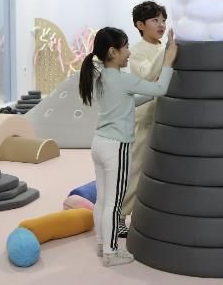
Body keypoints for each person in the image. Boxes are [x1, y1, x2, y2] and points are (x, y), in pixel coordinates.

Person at [79, 26, 177, 267]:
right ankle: (111, 253)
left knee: (102, 200)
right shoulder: (122, 79)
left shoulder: (100, 76)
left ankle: (102, 244)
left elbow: (128, 101)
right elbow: (161, 89)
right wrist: (169, 61)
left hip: (99, 144)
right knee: (114, 204)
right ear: (113, 52)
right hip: (116, 147)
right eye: (125, 48)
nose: (129, 53)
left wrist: (151, 92)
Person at [118, 1, 168, 237]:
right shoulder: (138, 51)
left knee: (160, 170)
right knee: (136, 169)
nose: (161, 25)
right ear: (140, 25)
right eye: (155, 20)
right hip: (145, 118)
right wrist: (169, 53)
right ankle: (119, 215)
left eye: (163, 20)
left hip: (164, 118)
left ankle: (149, 214)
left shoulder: (163, 48)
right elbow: (148, 75)